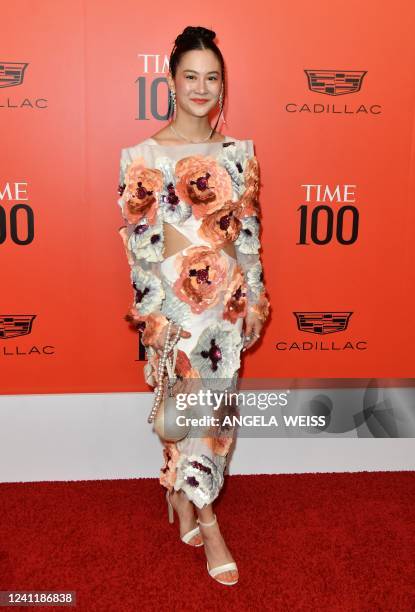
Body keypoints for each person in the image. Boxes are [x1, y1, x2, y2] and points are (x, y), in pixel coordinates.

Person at [117, 25, 270, 586]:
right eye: (191, 77)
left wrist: (254, 295)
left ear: (222, 86)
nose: (202, 87)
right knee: (181, 416)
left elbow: (247, 234)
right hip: (177, 312)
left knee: (217, 416)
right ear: (172, 83)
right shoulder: (143, 155)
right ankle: (200, 511)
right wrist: (152, 325)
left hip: (226, 309)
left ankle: (194, 507)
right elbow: (140, 251)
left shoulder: (239, 153)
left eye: (212, 77)